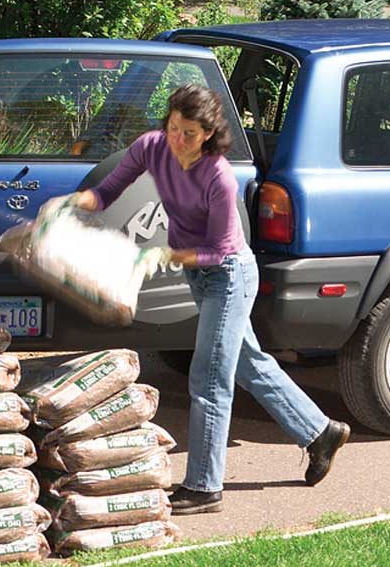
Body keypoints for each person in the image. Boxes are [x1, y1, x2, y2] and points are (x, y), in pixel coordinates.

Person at [68, 83, 349, 515]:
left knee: (209, 377)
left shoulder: (218, 176)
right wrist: (75, 202)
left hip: (229, 276)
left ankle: (203, 486)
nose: (178, 140)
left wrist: (163, 254)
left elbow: (219, 251)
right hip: (199, 276)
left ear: (208, 134)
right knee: (247, 364)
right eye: (174, 128)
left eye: (190, 133)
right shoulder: (151, 147)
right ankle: (320, 431)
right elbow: (108, 191)